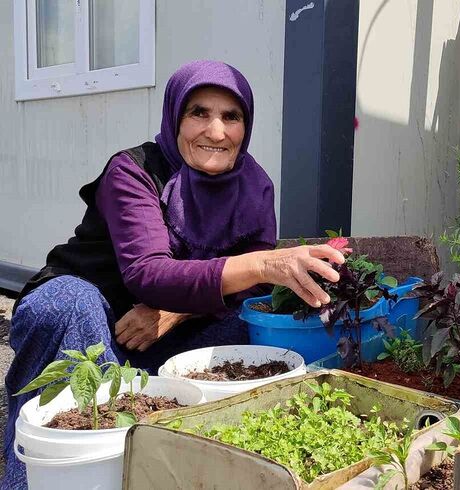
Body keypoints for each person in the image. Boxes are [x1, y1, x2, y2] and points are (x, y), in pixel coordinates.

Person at [1, 60, 344, 489]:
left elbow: (249, 287)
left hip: (168, 326)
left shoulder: (254, 184)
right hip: (95, 312)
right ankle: (45, 471)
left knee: (253, 329)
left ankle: (202, 462)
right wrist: (267, 263)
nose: (216, 132)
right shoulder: (133, 171)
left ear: (246, 124)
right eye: (198, 112)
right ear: (174, 115)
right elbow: (149, 273)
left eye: (231, 117)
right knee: (68, 305)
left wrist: (175, 312)